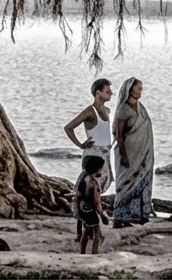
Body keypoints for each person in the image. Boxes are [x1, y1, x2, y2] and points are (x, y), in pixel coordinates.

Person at [111, 77, 154, 227]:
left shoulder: (141, 107)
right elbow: (119, 133)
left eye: (141, 88)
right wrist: (123, 154)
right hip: (128, 153)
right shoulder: (123, 109)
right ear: (130, 89)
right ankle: (119, 217)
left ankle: (134, 216)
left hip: (143, 153)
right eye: (138, 88)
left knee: (141, 182)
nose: (140, 91)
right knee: (124, 184)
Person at [63, 79, 114, 193]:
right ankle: (87, 207)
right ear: (98, 93)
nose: (111, 93)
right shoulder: (90, 111)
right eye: (107, 91)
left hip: (106, 152)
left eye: (110, 91)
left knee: (104, 182)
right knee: (91, 184)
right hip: (94, 153)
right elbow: (68, 128)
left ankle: (95, 207)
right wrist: (80, 145)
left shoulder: (107, 110)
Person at [75, 154, 111, 254]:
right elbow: (96, 200)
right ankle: (94, 251)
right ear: (96, 169)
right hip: (90, 209)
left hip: (82, 207)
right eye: (101, 169)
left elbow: (78, 195)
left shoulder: (84, 179)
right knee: (95, 232)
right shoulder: (93, 183)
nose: (102, 171)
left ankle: (82, 251)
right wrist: (101, 213)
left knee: (86, 230)